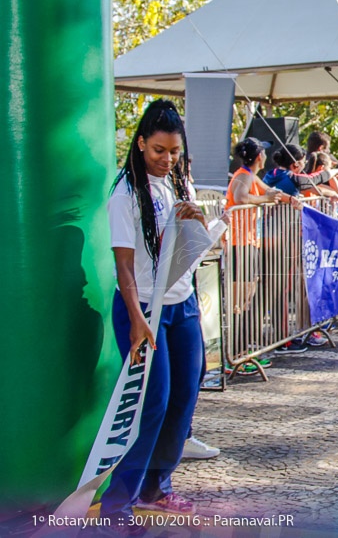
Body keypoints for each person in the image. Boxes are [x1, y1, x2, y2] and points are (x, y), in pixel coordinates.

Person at [101, 100, 214, 525]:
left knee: (185, 394)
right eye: (158, 151)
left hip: (181, 304)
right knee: (152, 403)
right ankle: (117, 504)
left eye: (174, 152)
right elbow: (124, 265)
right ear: (141, 143)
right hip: (142, 307)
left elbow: (193, 249)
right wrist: (135, 318)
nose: (167, 160)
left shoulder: (176, 184)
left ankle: (156, 487)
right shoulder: (126, 192)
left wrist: (198, 220)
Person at [225, 138, 284, 372]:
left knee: (246, 300)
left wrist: (280, 196)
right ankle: (235, 357)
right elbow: (240, 198)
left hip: (248, 243)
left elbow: (268, 190)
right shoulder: (243, 175)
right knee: (239, 303)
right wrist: (265, 200)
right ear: (259, 155)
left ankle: (241, 352)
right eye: (263, 152)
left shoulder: (250, 174)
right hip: (240, 244)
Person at [263, 144, 338, 199]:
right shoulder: (293, 178)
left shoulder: (270, 174)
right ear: (296, 164)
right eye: (304, 162)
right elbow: (315, 178)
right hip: (287, 221)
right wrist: (334, 172)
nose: (304, 165)